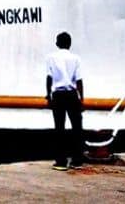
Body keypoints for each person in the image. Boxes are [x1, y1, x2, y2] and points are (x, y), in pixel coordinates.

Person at [46, 31, 84, 170]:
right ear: (70, 44)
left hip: (58, 95)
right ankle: (77, 160)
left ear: (57, 43)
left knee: (59, 128)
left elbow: (49, 77)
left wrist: (48, 95)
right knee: (77, 128)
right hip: (72, 94)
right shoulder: (76, 58)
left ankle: (61, 161)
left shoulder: (50, 58)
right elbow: (79, 80)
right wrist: (81, 99)